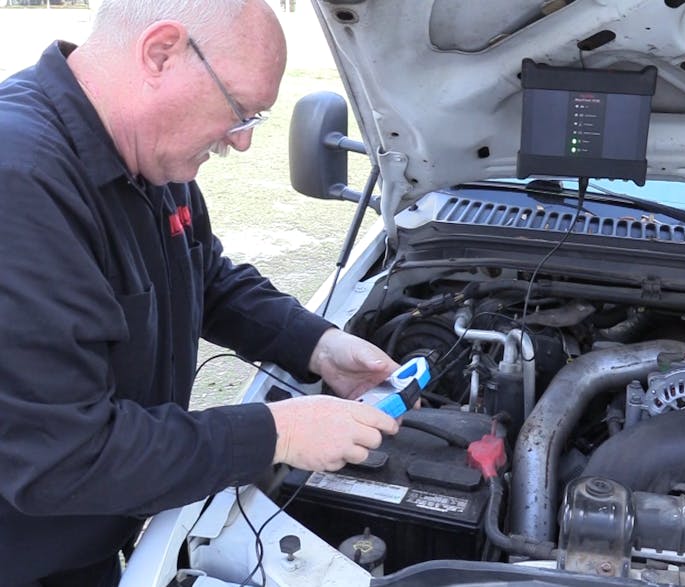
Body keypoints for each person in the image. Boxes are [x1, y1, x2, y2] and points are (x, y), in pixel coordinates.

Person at [0, 1, 403, 585]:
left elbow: (204, 275)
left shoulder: (147, 156)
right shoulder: (21, 180)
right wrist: (279, 432)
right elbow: (61, 455)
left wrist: (317, 344)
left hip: (86, 531)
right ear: (160, 53)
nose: (240, 142)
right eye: (241, 111)